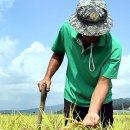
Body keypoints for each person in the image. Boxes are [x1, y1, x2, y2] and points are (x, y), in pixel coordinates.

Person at [38, 0, 122, 128]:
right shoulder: (66, 29)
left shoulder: (114, 48)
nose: (90, 36)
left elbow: (103, 81)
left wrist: (93, 111)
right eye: (86, 31)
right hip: (73, 97)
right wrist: (47, 77)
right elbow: (58, 53)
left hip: (102, 101)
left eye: (96, 33)